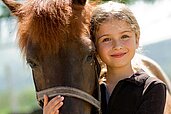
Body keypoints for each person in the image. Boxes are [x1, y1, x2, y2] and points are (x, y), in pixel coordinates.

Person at [43, 1, 166, 114]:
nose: (117, 46)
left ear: (137, 39)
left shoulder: (152, 88)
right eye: (106, 39)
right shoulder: (89, 92)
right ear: (95, 46)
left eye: (124, 36)